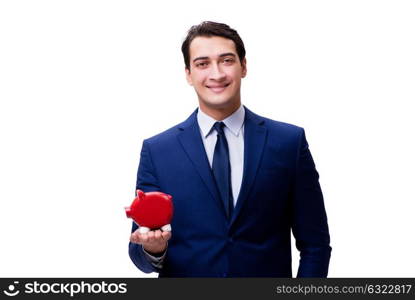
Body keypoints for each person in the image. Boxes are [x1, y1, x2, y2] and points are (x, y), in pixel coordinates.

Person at [128, 21, 331, 277]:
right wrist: (153, 250)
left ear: (243, 66)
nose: (217, 74)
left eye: (226, 60)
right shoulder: (158, 151)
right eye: (202, 64)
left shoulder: (288, 142)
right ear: (189, 74)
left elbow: (316, 245)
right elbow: (139, 254)